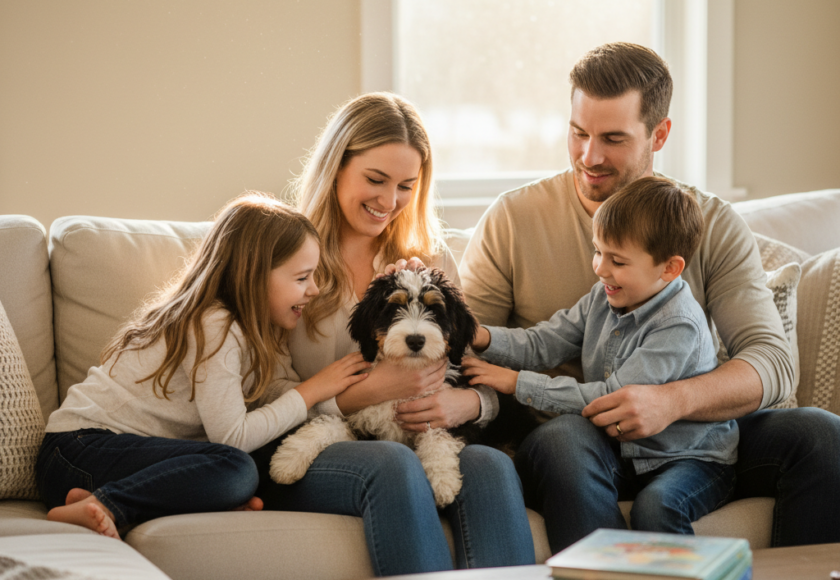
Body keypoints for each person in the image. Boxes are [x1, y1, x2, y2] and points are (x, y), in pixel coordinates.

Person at [459, 42, 840, 552]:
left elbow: (773, 363)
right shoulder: (513, 219)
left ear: (659, 134)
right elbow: (470, 353)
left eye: (613, 139)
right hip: (579, 438)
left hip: (692, 442)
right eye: (578, 134)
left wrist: (672, 400)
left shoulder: (712, 224)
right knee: (563, 440)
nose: (589, 157)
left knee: (820, 435)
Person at [248, 92, 534, 576]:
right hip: (312, 444)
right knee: (392, 465)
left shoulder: (431, 260)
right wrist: (357, 397)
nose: (389, 201)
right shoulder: (286, 257)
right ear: (337, 167)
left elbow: (466, 363)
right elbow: (259, 393)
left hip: (419, 435)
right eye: (375, 180)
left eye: (406, 185)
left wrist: (474, 404)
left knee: (491, 467)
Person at [36, 193, 372, 539]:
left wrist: (340, 393)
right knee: (237, 468)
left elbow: (275, 394)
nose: (314, 289)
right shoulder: (215, 324)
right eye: (302, 278)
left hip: (112, 463)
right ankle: (111, 504)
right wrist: (311, 390)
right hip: (76, 452)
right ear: (255, 276)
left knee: (252, 464)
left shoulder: (261, 330)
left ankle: (93, 503)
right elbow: (232, 437)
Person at [463, 176, 738, 535]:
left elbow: (614, 397)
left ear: (669, 268)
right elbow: (543, 342)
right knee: (562, 454)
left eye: (617, 261)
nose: (600, 269)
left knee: (657, 507)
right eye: (598, 251)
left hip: (691, 458)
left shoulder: (678, 325)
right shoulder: (603, 297)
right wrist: (482, 337)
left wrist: (517, 383)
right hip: (628, 455)